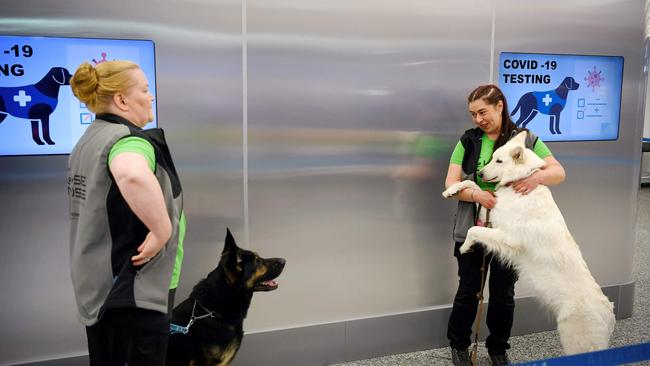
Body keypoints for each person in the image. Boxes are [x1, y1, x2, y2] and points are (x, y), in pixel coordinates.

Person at [67, 60, 186, 366]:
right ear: (121, 99)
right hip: (134, 290)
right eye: (145, 90)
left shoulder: (92, 138)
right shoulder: (128, 140)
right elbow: (131, 174)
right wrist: (162, 231)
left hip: (102, 287)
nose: (151, 97)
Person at [444, 84, 565, 366]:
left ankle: (498, 349)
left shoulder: (524, 140)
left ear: (500, 106)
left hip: (511, 231)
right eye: (473, 114)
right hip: (472, 226)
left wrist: (534, 179)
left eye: (483, 112)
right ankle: (459, 346)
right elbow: (450, 183)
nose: (477, 119)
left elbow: (558, 172)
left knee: (503, 293)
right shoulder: (468, 140)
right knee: (468, 289)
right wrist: (476, 194)